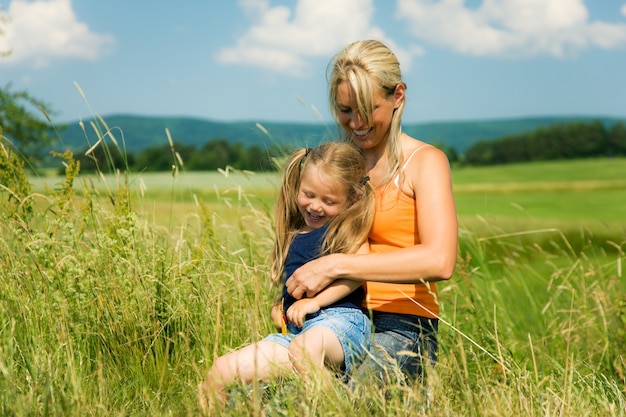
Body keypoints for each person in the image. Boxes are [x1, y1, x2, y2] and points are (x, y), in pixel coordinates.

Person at [285, 40, 458, 385]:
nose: (356, 122)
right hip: (328, 318)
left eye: (367, 108)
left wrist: (336, 265)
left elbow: (440, 261)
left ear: (398, 96)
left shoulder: (425, 162)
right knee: (262, 399)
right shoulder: (337, 166)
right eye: (345, 109)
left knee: (344, 403)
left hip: (403, 327)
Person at [198, 142, 375, 411]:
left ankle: (338, 410)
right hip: (296, 334)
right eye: (308, 194)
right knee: (220, 372)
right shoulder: (294, 232)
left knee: (305, 351)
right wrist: (282, 307)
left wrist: (315, 302)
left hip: (341, 325)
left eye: (328, 201)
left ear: (352, 199)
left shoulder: (346, 230)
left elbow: (358, 274)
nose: (315, 206)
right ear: (298, 187)